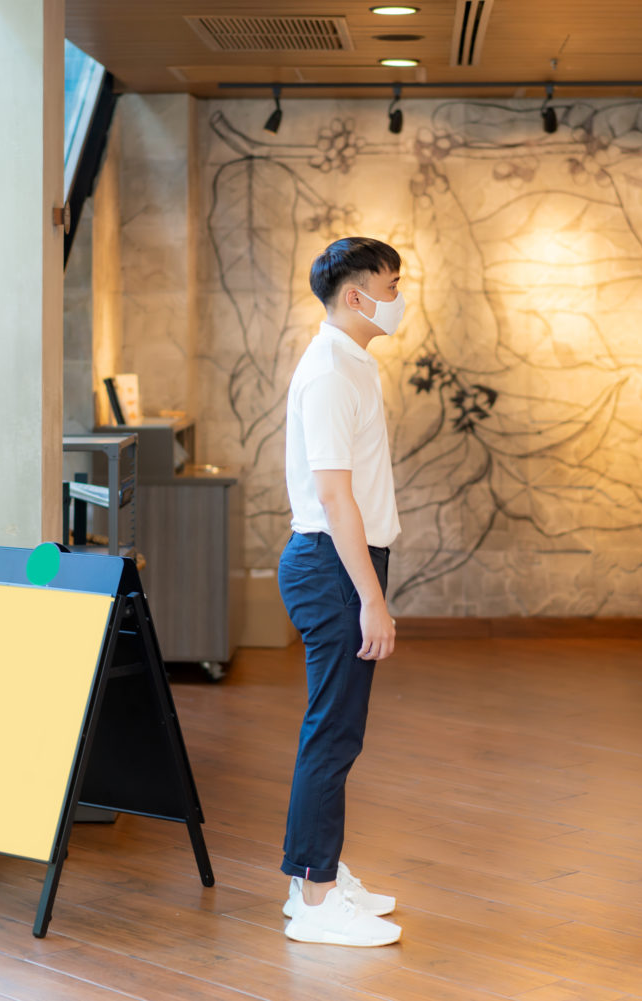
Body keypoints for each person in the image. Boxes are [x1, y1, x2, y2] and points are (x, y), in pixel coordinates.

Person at [277, 237, 405, 947]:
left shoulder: (353, 362)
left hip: (342, 562)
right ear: (355, 295)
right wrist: (371, 598)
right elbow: (332, 495)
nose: (399, 295)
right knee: (332, 731)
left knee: (338, 730)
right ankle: (317, 899)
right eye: (392, 283)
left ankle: (315, 874)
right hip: (331, 565)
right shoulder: (330, 370)